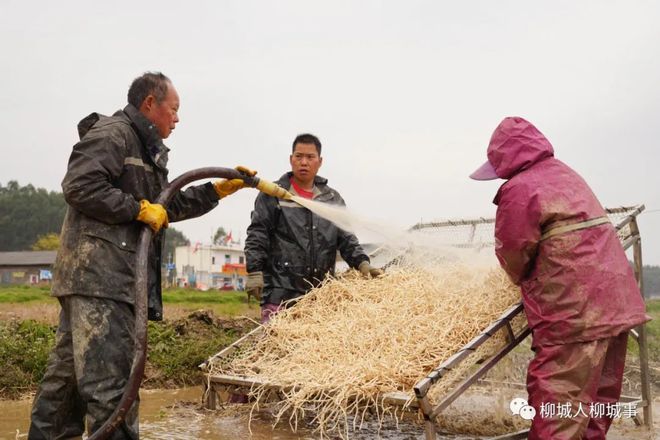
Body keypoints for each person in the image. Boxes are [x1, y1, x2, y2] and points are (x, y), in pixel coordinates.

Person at [29, 72, 254, 439]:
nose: (177, 119)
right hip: (103, 279)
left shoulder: (143, 150)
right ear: (150, 103)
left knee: (65, 385)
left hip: (97, 280)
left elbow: (164, 205)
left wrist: (217, 190)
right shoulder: (114, 134)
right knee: (113, 388)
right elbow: (80, 186)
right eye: (174, 109)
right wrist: (135, 209)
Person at [470, 116, 650, 439]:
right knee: (595, 412)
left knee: (558, 414)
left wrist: (517, 279)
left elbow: (514, 254)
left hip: (574, 315)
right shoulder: (566, 175)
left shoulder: (519, 189)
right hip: (616, 307)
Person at [244, 133, 382, 323]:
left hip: (320, 297)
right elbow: (257, 235)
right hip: (279, 295)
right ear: (290, 160)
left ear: (320, 161)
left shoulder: (331, 199)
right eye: (299, 156)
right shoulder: (273, 195)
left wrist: (363, 264)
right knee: (277, 348)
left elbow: (346, 238)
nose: (304, 162)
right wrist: (254, 272)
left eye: (310, 157)